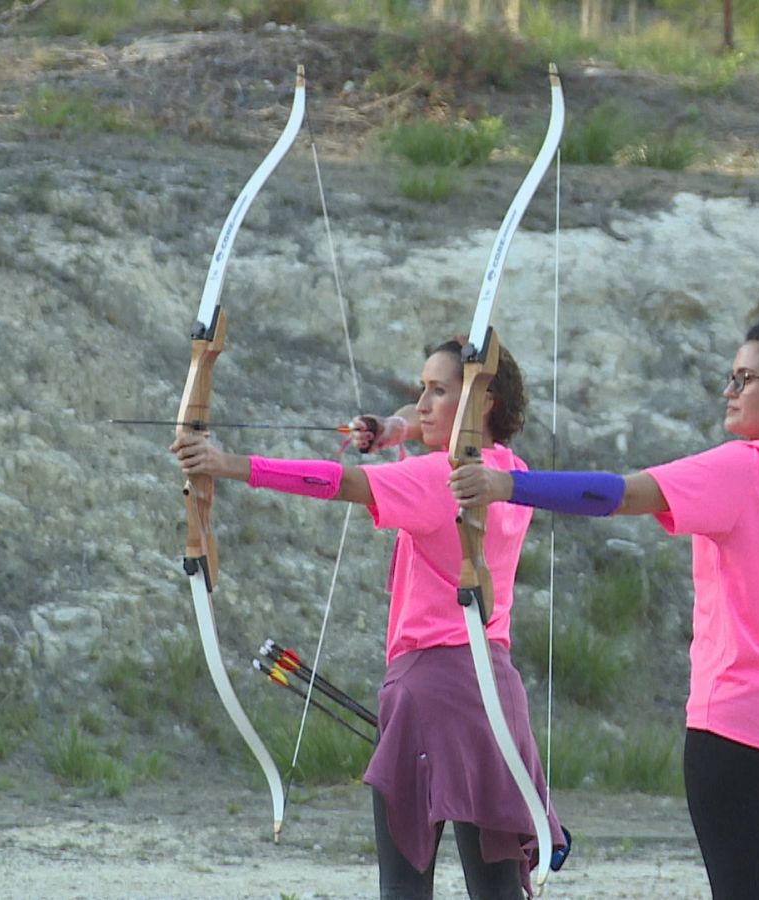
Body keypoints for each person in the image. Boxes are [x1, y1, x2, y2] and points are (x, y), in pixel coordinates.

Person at [450, 304, 759, 900]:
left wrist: (507, 485)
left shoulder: (744, 467)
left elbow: (615, 494)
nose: (729, 391)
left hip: (737, 735)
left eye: (745, 380)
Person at [171, 337, 565, 900]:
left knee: (403, 887)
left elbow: (337, 482)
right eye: (421, 390)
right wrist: (393, 428)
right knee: (497, 890)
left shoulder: (440, 478)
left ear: (484, 403)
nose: (423, 403)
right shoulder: (508, 473)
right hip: (495, 696)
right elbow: (416, 424)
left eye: (438, 391)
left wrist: (225, 464)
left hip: (427, 690)